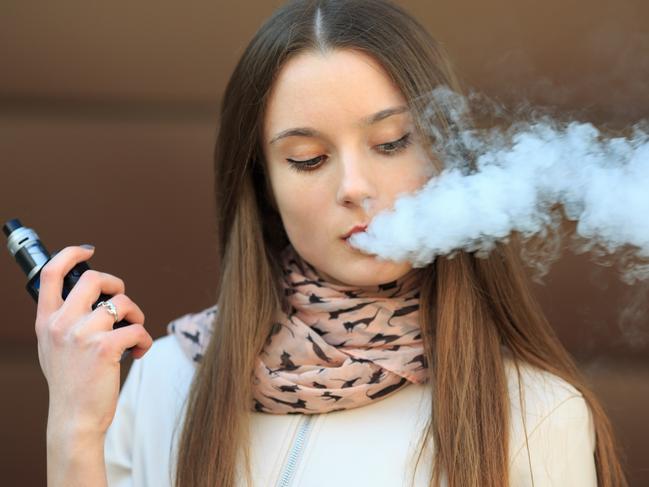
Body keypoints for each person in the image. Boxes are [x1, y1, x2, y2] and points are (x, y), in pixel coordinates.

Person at [37, 0, 629, 486]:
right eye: (308, 158)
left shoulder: (536, 414)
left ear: (445, 154)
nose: (355, 188)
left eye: (393, 142)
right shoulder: (166, 383)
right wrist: (74, 428)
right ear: (264, 186)